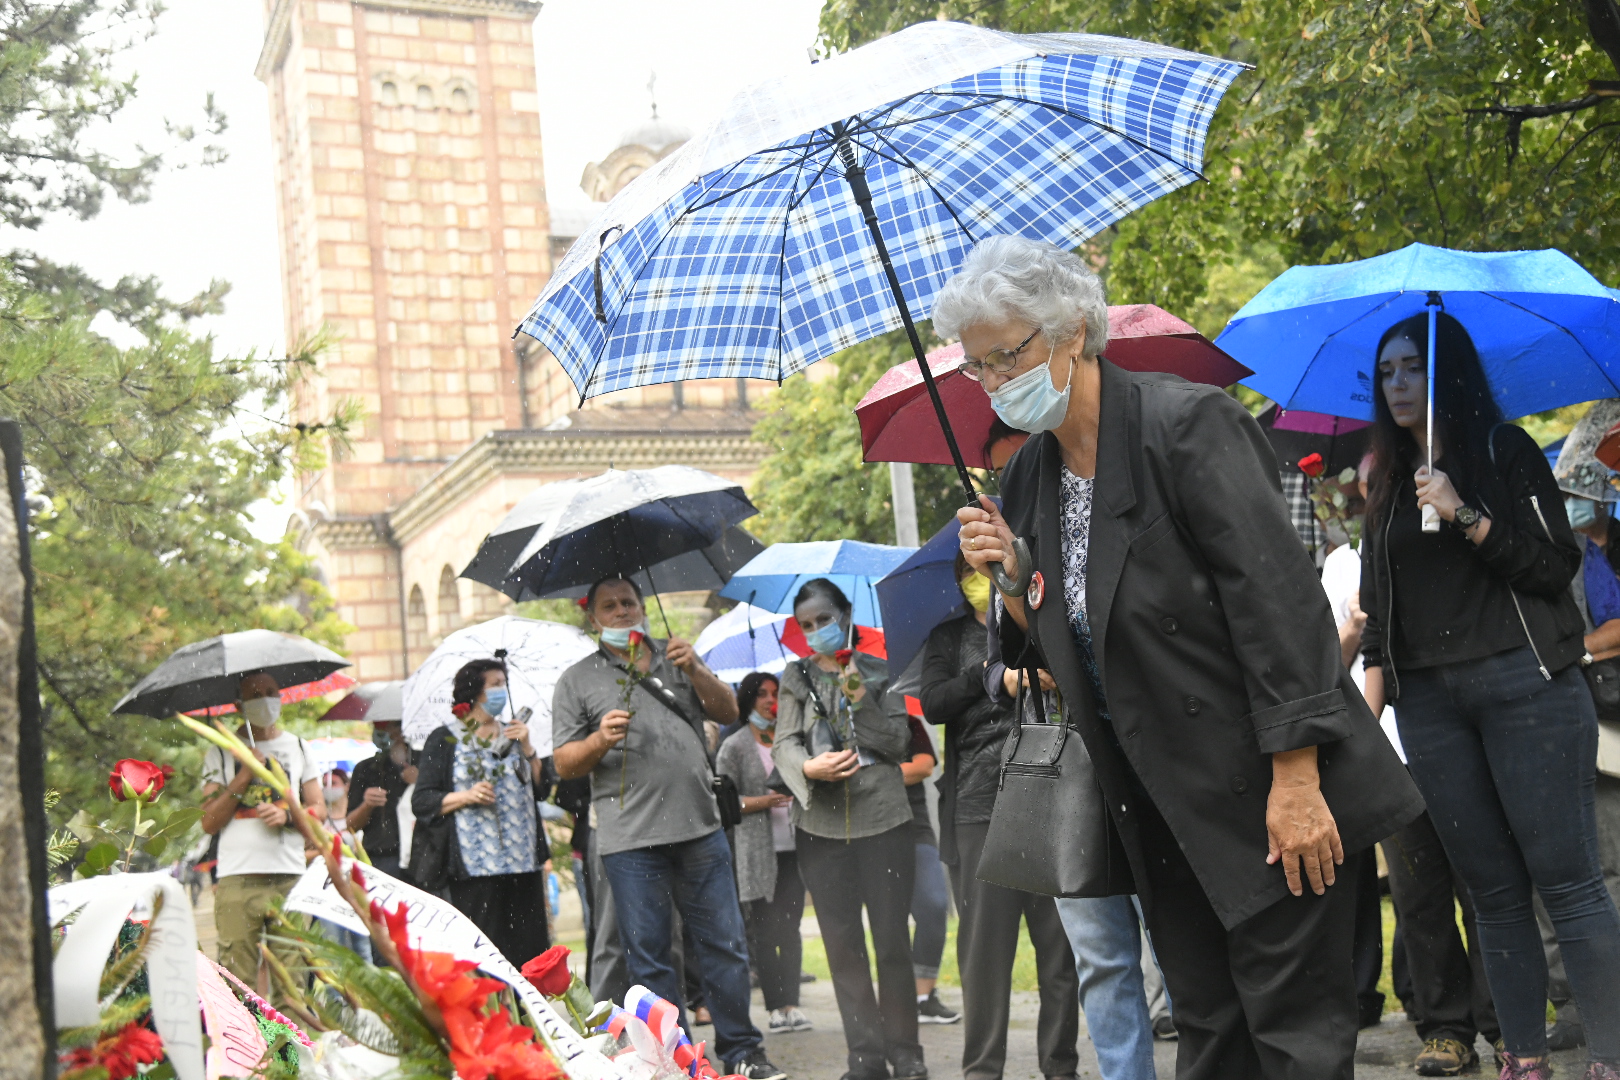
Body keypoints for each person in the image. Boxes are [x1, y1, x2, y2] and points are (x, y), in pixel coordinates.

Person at [944, 235, 1424, 1080]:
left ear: (1069, 332)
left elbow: (1278, 609)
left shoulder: (1187, 424)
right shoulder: (1028, 482)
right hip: (1155, 804)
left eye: (1005, 356)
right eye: (976, 368)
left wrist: (1299, 777)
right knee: (1209, 1037)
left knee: (1297, 1044)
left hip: (1268, 789)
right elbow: (1052, 661)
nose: (992, 384)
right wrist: (1014, 579)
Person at [1357, 311, 1620, 1080]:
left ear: (1446, 372)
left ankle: (1608, 1059)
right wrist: (1368, 726)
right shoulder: (1385, 482)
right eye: (1385, 372)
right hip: (1431, 710)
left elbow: (1550, 569)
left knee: (1568, 886)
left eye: (1411, 367)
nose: (1397, 384)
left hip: (1526, 689)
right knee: (1493, 895)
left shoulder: (1503, 452)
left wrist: (1467, 514)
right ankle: (1525, 1062)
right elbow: (1379, 616)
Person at [552, 577, 782, 1080]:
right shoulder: (577, 679)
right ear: (591, 618)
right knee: (651, 959)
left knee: (724, 945)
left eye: (628, 603)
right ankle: (674, 1062)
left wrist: (697, 668)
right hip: (630, 843)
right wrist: (599, 740)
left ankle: (743, 1051)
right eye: (609, 606)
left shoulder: (676, 658)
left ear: (642, 607)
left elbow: (728, 711)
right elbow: (564, 763)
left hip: (700, 829)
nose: (621, 612)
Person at [1325, 454, 1502, 1075]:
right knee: (1418, 896)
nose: (1377, 493)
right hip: (1399, 754)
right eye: (1369, 485)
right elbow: (1365, 652)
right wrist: (1365, 744)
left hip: (1467, 742)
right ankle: (1446, 1027)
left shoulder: (1452, 536)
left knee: (1486, 888)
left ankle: (1503, 1022)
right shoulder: (1364, 557)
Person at [922, 556, 1082, 1080]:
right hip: (977, 809)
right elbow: (934, 703)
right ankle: (982, 1070)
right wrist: (993, 677)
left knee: (1059, 954)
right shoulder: (946, 637)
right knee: (984, 956)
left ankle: (1059, 1067)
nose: (980, 580)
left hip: (1046, 802)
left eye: (987, 569)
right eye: (970, 572)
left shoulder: (1036, 619)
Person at [773, 578, 925, 1080]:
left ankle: (907, 1054)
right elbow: (784, 745)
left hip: (884, 820)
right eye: (808, 625)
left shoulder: (883, 670)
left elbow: (897, 740)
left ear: (846, 614)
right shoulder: (793, 678)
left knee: (890, 943)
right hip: (820, 828)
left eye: (825, 619)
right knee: (843, 946)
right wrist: (807, 769)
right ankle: (865, 1058)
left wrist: (857, 688)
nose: (818, 631)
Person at [1542, 405, 1620, 1052]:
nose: (1571, 498)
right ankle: (1583, 999)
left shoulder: (1613, 547)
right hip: (1580, 724)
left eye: (1576, 488)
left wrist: (1586, 647)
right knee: (1590, 865)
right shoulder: (1559, 554)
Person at [412, 658, 551, 967]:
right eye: (496, 685)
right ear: (474, 692)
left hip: (522, 862)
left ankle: (527, 1014)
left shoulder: (514, 733)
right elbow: (422, 801)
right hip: (476, 867)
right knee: (486, 954)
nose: (502, 690)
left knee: (530, 954)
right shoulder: (446, 737)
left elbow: (542, 789)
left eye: (505, 684)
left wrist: (527, 746)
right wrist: (466, 795)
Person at [199, 673, 326, 996]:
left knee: (293, 983)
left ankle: (293, 1047)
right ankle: (247, 1047)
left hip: (290, 878)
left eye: (272, 692)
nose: (266, 701)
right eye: (255, 696)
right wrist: (244, 774)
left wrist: (287, 816)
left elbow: (318, 810)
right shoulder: (220, 752)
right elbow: (208, 821)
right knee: (237, 983)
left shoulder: (298, 746)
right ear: (239, 705)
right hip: (237, 879)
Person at [716, 672, 811, 1035]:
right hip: (757, 852)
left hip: (794, 849)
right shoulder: (735, 746)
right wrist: (763, 801)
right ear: (748, 700)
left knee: (791, 927)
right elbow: (722, 803)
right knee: (767, 931)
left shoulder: (791, 741)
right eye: (762, 695)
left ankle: (793, 1005)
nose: (770, 701)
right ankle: (775, 1006)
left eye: (775, 694)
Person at [900, 713, 957, 1025]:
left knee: (935, 906)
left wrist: (875, 774)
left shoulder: (909, 723)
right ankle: (899, 997)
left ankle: (924, 996)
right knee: (890, 921)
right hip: (873, 834)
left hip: (916, 828)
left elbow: (923, 766)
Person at [346, 719, 418, 881]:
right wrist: (367, 805)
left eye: (394, 727)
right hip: (380, 858)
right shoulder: (366, 769)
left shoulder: (425, 764)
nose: (389, 733)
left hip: (419, 859)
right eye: (379, 728)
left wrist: (420, 781)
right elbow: (351, 825)